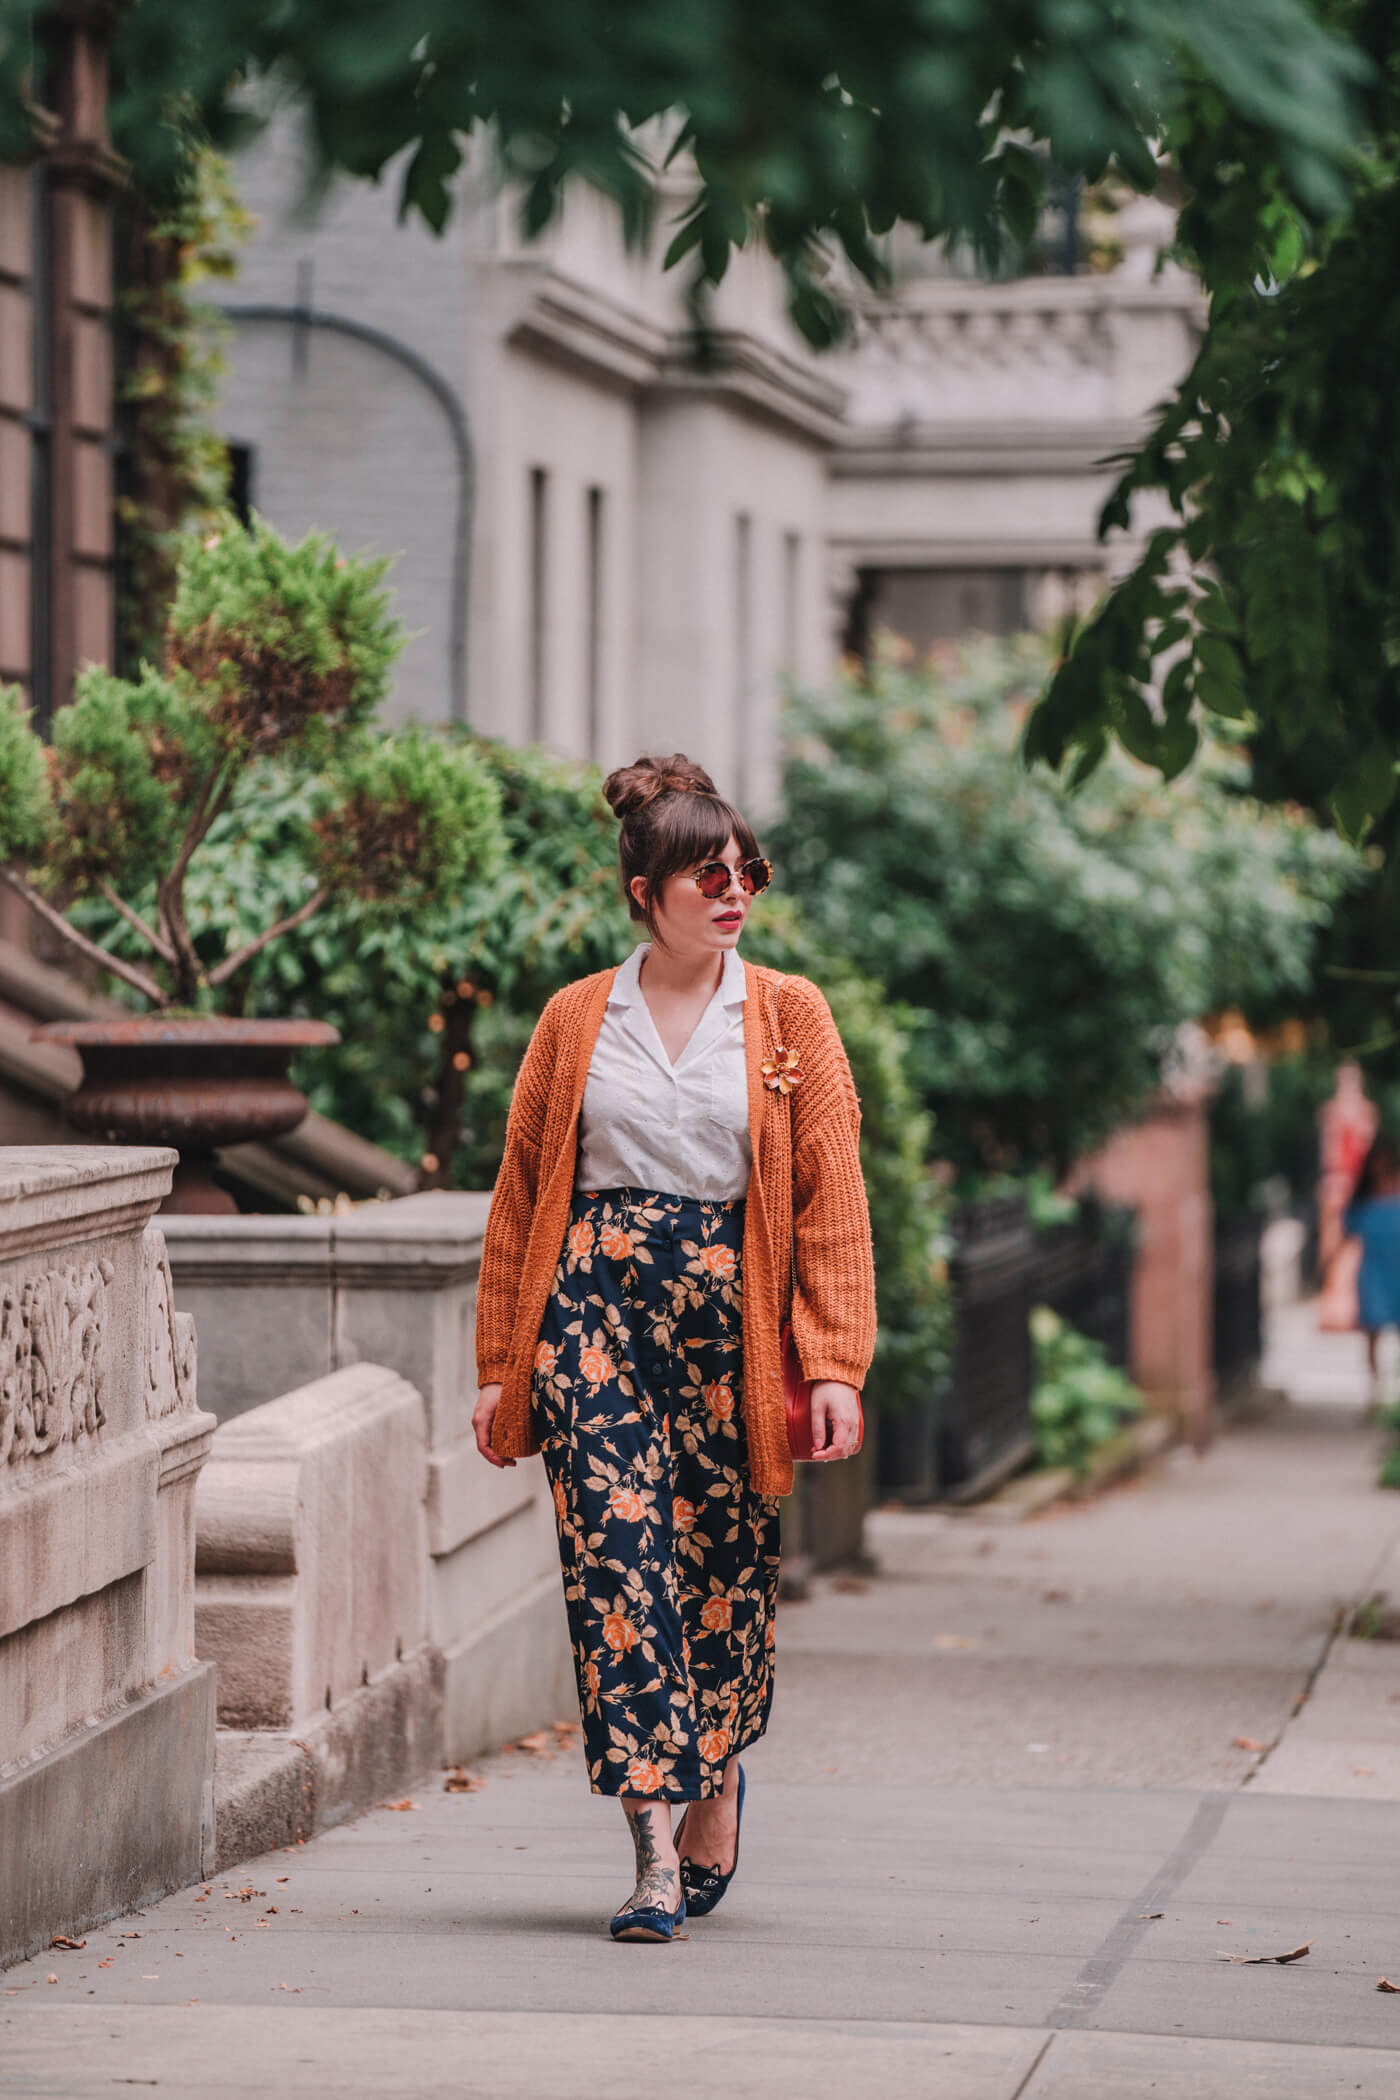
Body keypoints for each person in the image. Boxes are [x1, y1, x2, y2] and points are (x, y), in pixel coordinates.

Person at [472, 753, 876, 1942]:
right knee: (617, 1576)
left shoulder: (788, 1014)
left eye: (745, 867)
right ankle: (651, 1858)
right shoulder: (573, 1020)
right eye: (708, 871)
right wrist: (504, 1363)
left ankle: (713, 1783)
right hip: (589, 1317)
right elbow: (519, 1195)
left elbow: (830, 1201)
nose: (733, 887)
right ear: (645, 890)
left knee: (718, 1579)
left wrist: (834, 1361)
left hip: (730, 1328)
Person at [1344, 1133, 1400, 1411]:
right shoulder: (1363, 1196)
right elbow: (1347, 1228)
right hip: (1374, 1271)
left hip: (1396, 1270)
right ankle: (1376, 1392)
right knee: (1372, 1333)